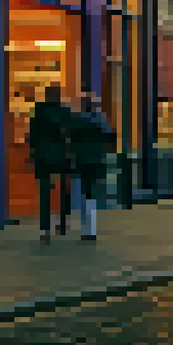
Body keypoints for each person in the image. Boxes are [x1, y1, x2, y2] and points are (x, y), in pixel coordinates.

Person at [28, 85, 73, 244]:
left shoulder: (38, 111)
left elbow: (32, 133)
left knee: (45, 192)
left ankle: (44, 227)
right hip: (61, 155)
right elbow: (70, 133)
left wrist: (32, 152)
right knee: (63, 191)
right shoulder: (64, 111)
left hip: (43, 155)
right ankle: (61, 222)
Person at [71, 95, 114, 241]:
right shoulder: (101, 121)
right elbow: (110, 139)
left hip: (82, 160)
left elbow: (71, 140)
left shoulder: (77, 121)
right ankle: (92, 229)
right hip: (96, 160)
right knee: (92, 194)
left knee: (84, 192)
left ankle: (86, 229)